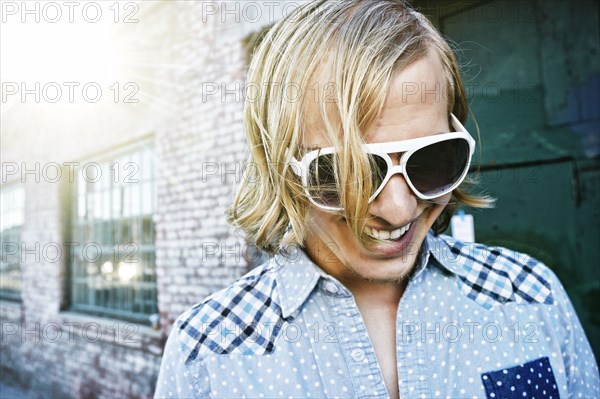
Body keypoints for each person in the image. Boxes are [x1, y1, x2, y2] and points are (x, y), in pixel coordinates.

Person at [154, 1, 600, 398]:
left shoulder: (531, 296)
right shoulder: (208, 356)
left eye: (431, 160)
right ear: (280, 164)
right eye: (349, 171)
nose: (398, 210)